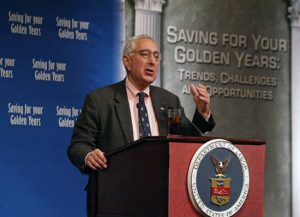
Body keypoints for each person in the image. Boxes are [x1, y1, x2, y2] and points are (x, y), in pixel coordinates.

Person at [67, 35, 215, 215]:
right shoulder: (100, 100)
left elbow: (184, 141)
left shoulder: (168, 101)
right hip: (114, 197)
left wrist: (202, 113)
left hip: (161, 197)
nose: (152, 61)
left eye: (156, 56)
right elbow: (78, 145)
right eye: (145, 55)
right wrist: (88, 154)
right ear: (127, 61)